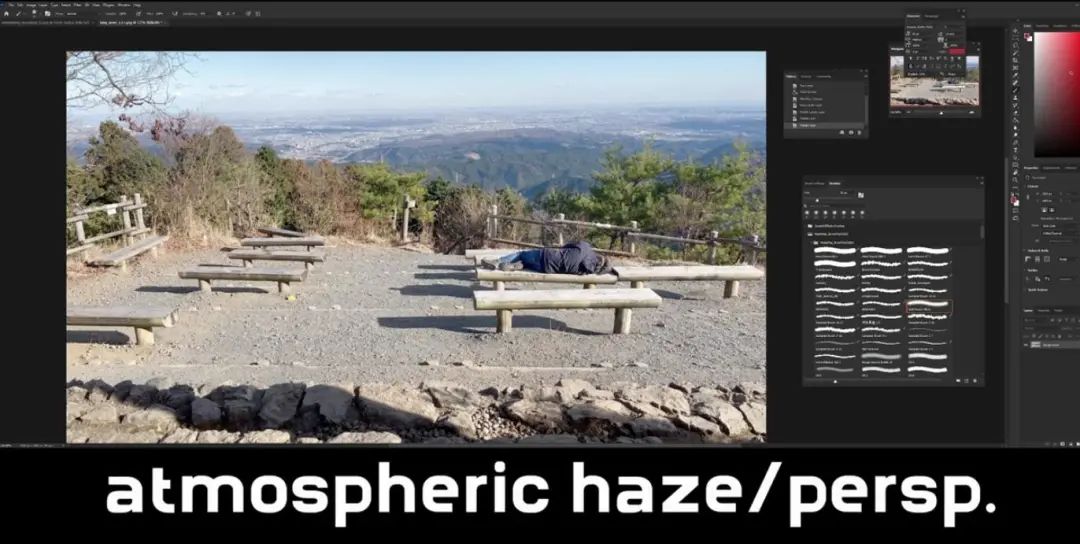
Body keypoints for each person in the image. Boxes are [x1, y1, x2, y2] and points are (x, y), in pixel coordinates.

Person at [480, 240, 614, 275]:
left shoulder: (585, 247)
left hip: (547, 256)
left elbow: (566, 246)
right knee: (527, 262)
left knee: (521, 254)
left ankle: (498, 262)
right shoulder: (586, 271)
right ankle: (518, 266)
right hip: (547, 269)